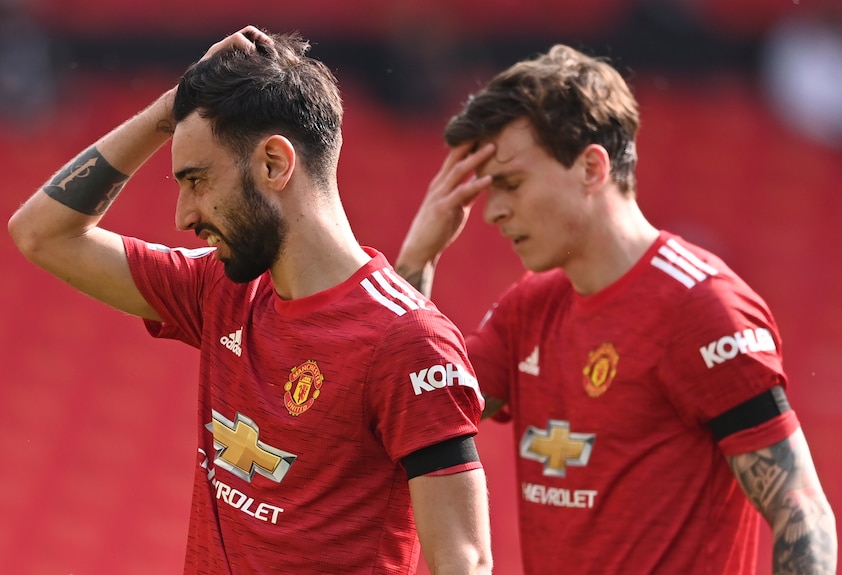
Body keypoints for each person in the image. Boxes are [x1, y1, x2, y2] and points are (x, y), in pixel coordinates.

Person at [8, 26, 492, 575]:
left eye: (197, 180)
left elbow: (466, 563)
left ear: (273, 164)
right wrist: (172, 109)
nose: (184, 216)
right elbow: (42, 233)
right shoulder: (219, 290)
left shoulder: (408, 341)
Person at [395, 44, 837, 574]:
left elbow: (801, 509)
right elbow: (421, 415)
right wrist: (418, 259)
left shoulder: (702, 307)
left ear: (591, 168)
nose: (493, 211)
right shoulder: (528, 309)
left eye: (510, 184)